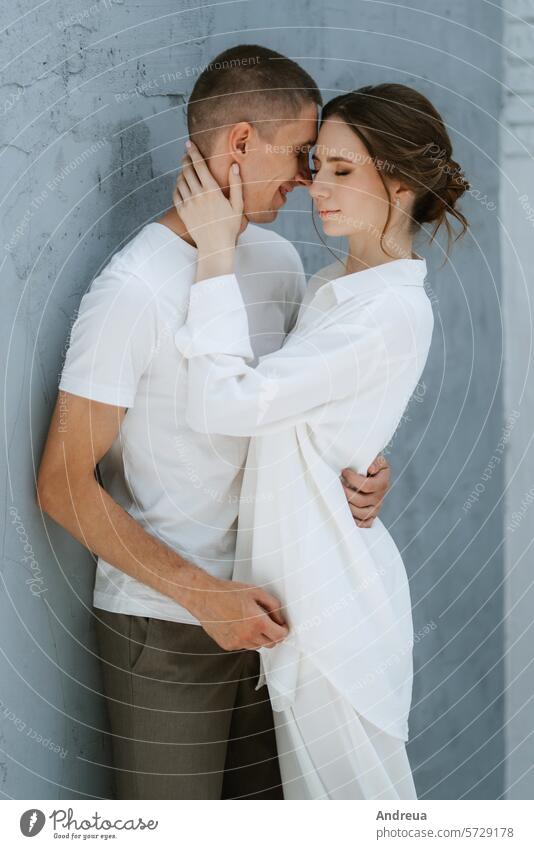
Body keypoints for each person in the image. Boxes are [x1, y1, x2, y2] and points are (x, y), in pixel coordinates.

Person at [35, 45, 390, 800]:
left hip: (282, 614)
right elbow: (62, 484)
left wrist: (358, 471)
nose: (307, 178)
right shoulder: (134, 288)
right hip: (165, 630)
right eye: (300, 154)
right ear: (237, 142)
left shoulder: (280, 266)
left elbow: (286, 416)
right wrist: (204, 597)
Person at [173, 82, 469, 799]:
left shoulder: (384, 313)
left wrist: (214, 255)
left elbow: (232, 401)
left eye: (342, 170)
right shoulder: (339, 285)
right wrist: (361, 460)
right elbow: (318, 424)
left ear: (398, 183)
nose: (316, 188)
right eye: (317, 165)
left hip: (334, 613)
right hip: (302, 598)